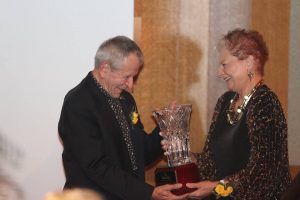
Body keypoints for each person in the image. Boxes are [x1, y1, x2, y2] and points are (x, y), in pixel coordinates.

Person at [58, 36, 187, 200]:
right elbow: (96, 167)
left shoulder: (125, 99)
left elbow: (141, 155)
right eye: (126, 77)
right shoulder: (78, 102)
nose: (131, 85)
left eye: (134, 77)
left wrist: (165, 126)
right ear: (104, 69)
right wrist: (148, 192)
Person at [181, 28, 291, 199]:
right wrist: (185, 155)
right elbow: (211, 164)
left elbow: (265, 173)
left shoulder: (265, 102)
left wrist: (218, 187)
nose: (219, 72)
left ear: (249, 61)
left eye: (224, 64)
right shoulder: (225, 101)